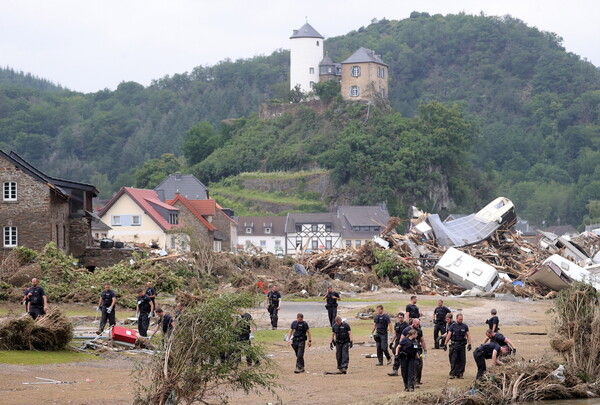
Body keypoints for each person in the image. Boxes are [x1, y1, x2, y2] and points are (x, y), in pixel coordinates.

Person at [444, 313, 471, 379]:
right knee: (453, 359)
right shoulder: (452, 326)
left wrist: (469, 344)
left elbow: (468, 335)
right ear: (456, 319)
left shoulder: (465, 326)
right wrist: (445, 344)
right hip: (455, 345)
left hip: (462, 345)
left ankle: (460, 373)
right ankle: (452, 373)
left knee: (462, 360)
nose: (461, 320)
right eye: (460, 319)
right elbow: (449, 335)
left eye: (462, 319)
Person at [402, 318, 427, 385]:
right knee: (414, 365)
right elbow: (401, 340)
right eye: (417, 324)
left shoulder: (419, 330)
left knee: (420, 364)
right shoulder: (406, 330)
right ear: (413, 323)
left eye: (419, 324)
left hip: (417, 349)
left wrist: (425, 350)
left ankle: (417, 380)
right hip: (409, 350)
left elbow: (422, 340)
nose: (418, 325)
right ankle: (412, 381)